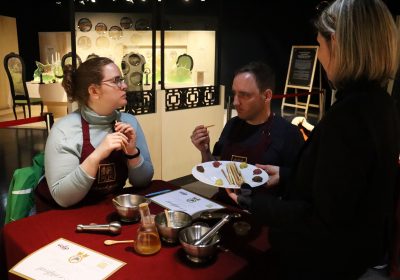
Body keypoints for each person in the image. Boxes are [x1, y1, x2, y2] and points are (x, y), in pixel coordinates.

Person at [226, 0, 400, 279]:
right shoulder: (381, 104)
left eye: (320, 45)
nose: (319, 56)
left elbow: (322, 219)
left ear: (337, 42)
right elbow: (339, 185)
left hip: (326, 263)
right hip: (358, 255)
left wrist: (252, 203)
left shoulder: (349, 116)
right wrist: (285, 175)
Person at [36, 57, 154, 210]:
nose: (124, 86)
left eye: (122, 79)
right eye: (116, 81)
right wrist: (98, 155)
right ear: (94, 91)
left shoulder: (128, 122)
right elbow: (63, 198)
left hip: (106, 208)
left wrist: (132, 153)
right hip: (60, 214)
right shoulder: (64, 129)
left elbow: (143, 182)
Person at [191, 61, 304, 201]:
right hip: (225, 205)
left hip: (262, 215)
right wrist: (205, 151)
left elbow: (300, 185)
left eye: (244, 95)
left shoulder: (288, 134)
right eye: (235, 94)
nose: (236, 102)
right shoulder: (232, 125)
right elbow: (216, 168)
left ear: (267, 96)